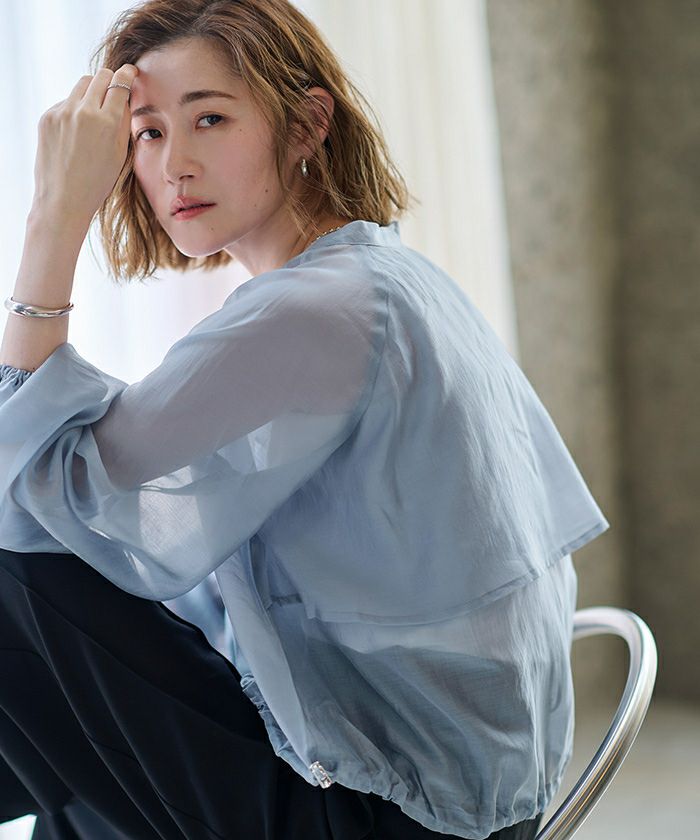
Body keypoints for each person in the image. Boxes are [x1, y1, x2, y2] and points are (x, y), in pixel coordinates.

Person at [0, 1, 609, 838]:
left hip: (391, 814)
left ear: (306, 124)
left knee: (16, 570)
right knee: (81, 781)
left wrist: (53, 215)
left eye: (209, 119)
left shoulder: (317, 311)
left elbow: (32, 490)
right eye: (146, 134)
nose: (174, 164)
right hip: (474, 793)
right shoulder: (381, 276)